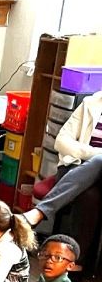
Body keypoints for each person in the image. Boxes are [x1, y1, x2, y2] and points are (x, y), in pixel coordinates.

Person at [21, 90, 102, 229]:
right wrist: (94, 155)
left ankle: (40, 211)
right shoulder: (91, 103)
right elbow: (61, 141)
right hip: (76, 168)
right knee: (89, 196)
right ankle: (75, 250)